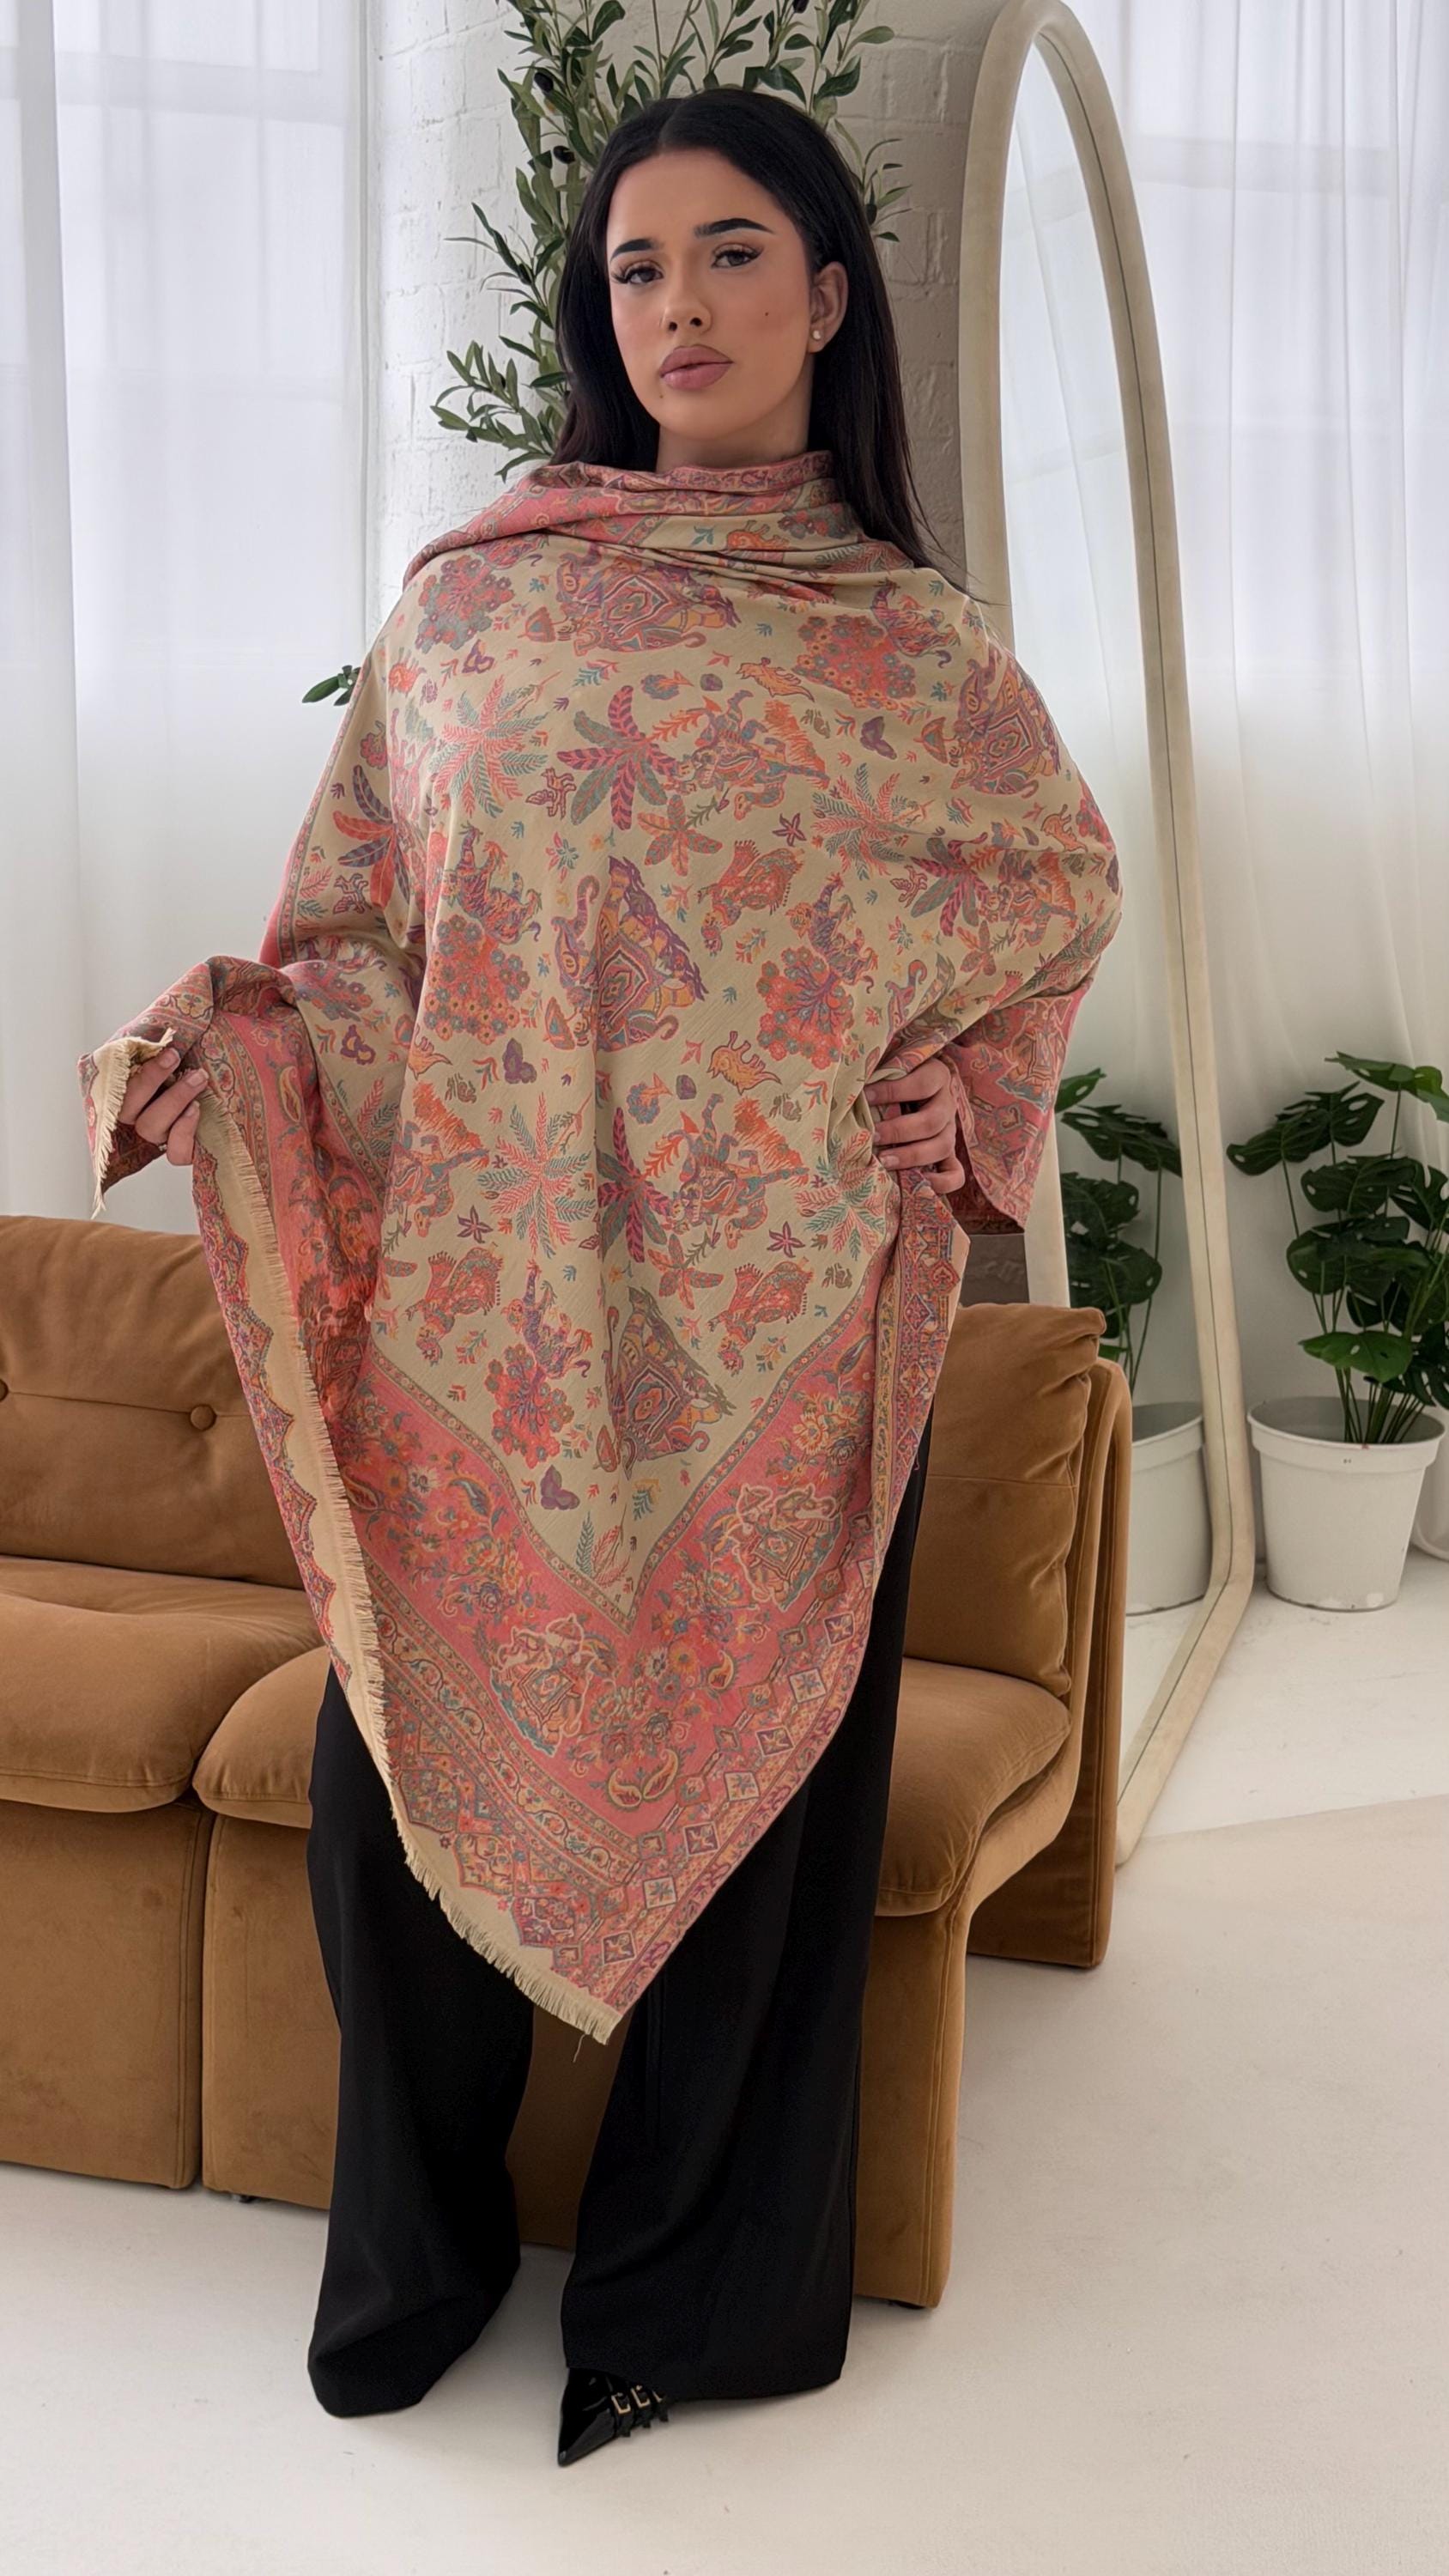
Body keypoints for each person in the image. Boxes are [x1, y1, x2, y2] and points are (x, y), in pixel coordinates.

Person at [93, 87, 1120, 2466]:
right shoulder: (472, 601)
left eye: (731, 255)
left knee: (766, 1824)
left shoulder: (916, 650)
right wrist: (238, 1039)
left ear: (831, 298)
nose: (678, 307)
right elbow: (364, 943)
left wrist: (964, 1104)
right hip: (493, 1327)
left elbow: (1046, 902)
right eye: (636, 267)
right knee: (395, 1791)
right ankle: (415, 2258)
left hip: (778, 1311)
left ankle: (696, 2302)